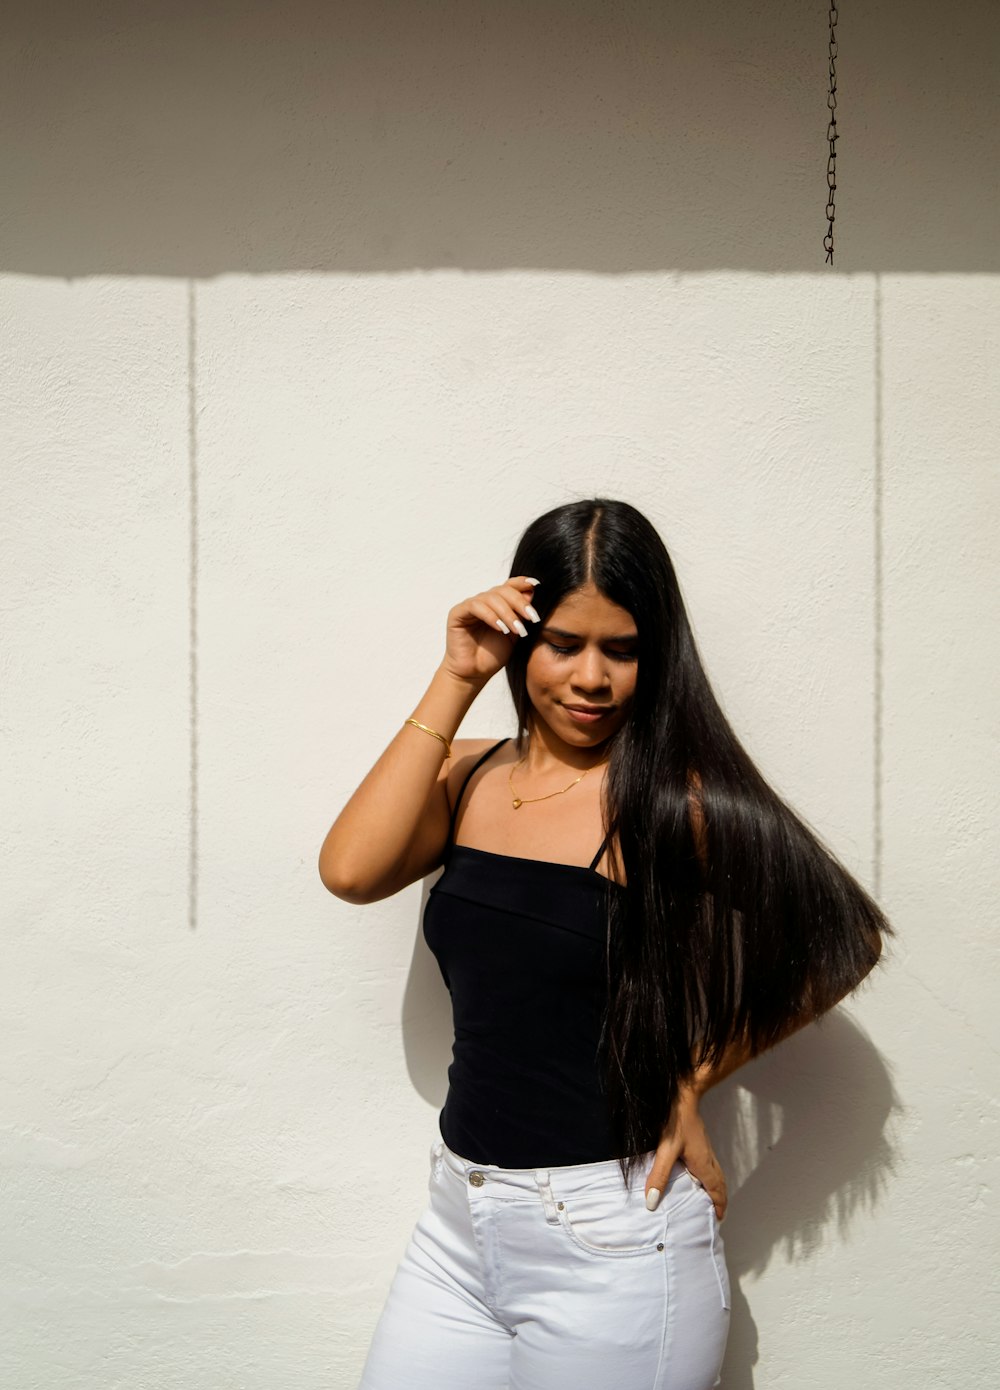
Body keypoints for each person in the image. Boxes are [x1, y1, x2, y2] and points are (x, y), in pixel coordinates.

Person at [318, 497, 893, 1390]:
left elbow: (844, 936)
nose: (592, 678)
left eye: (621, 650)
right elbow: (351, 871)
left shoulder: (674, 804)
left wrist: (695, 1075)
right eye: (564, 643)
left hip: (614, 1238)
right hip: (458, 1227)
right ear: (523, 641)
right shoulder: (469, 772)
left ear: (655, 656)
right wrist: (458, 672)